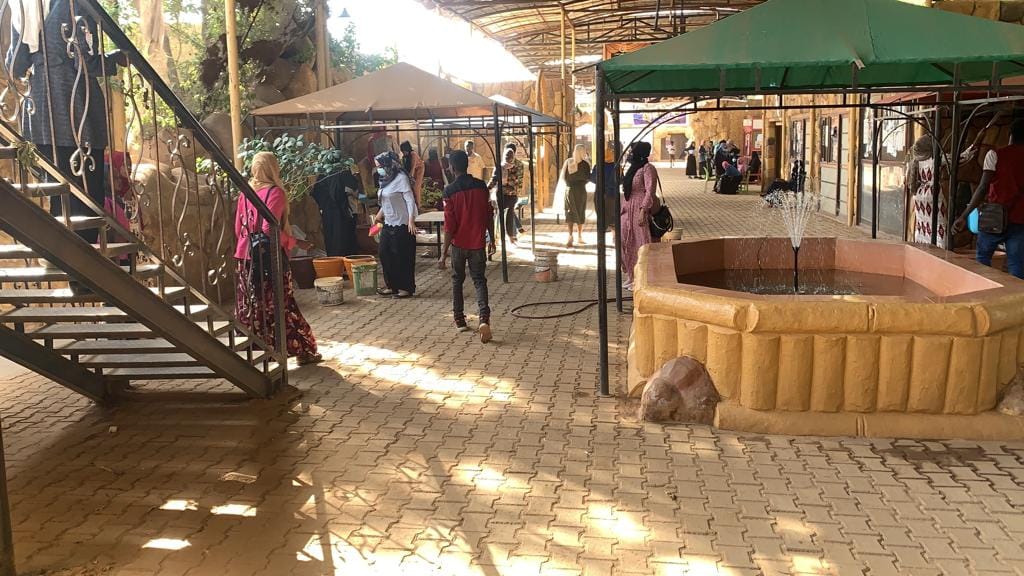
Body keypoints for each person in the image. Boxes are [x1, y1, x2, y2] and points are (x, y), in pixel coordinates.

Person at [9, 0, 126, 248]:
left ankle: (64, 258)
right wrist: (115, 58)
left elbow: (16, 65)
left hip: (40, 111)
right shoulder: (75, 4)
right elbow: (87, 62)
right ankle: (85, 264)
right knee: (87, 196)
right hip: (76, 107)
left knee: (57, 194)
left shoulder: (24, 7)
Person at [233, 152, 320, 365]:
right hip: (268, 258)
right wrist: (294, 242)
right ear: (274, 168)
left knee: (253, 305)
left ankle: (257, 350)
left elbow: (238, 228)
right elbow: (268, 228)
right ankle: (302, 349)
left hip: (244, 256)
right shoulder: (275, 192)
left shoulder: (246, 193)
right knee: (281, 303)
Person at [954, 120, 1024, 279]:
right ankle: (1017, 295)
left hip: (994, 217)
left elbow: (982, 187)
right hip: (1020, 220)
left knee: (982, 259)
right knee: (1017, 266)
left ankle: (982, 291)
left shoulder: (995, 155)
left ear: (1010, 136)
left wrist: (964, 215)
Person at [438, 150, 495, 343]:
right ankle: (484, 318)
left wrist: (443, 253)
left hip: (459, 245)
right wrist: (492, 239)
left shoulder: (449, 191)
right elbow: (489, 215)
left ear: (452, 168)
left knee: (457, 281)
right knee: (479, 281)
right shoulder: (481, 187)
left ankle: (460, 320)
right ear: (467, 164)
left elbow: (449, 226)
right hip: (478, 243)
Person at [373, 151, 418, 297]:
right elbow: (386, 201)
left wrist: (411, 220)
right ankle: (391, 285)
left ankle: (405, 288)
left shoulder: (401, 178)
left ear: (388, 164)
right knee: (384, 253)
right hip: (388, 222)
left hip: (402, 223)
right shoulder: (384, 180)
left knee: (401, 256)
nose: (378, 169)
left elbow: (410, 200)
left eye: (380, 166)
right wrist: (379, 216)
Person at [620, 142, 657, 291]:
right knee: (625, 241)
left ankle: (641, 278)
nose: (630, 154)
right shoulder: (633, 168)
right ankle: (631, 275)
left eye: (633, 151)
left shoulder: (648, 168)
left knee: (639, 243)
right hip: (627, 208)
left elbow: (650, 191)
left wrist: (643, 210)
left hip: (639, 208)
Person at [312, 165, 361, 256]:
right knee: (347, 242)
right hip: (345, 213)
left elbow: (316, 193)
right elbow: (354, 192)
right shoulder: (345, 173)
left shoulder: (322, 176)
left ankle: (334, 261)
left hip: (328, 214)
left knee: (332, 241)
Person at [487, 143, 524, 246]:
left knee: (509, 215)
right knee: (501, 215)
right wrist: (487, 189)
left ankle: (509, 235)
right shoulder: (499, 166)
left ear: (513, 156)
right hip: (501, 195)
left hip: (511, 195)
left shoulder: (516, 167)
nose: (508, 157)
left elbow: (517, 182)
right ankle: (500, 236)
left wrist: (507, 186)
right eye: (507, 155)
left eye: (510, 156)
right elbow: (494, 179)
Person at [562, 144, 591, 248]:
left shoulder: (568, 162)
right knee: (580, 211)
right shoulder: (585, 164)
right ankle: (579, 236)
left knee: (570, 212)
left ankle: (570, 235)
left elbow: (564, 177)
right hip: (580, 191)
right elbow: (588, 178)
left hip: (569, 190)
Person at [590, 142, 619, 241]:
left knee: (601, 214)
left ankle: (601, 238)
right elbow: (620, 180)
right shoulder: (616, 166)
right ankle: (614, 236)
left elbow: (593, 179)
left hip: (599, 194)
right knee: (612, 215)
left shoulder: (598, 166)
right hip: (612, 194)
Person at [400, 141, 425, 206]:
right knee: (411, 187)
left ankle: (418, 205)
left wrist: (410, 177)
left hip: (419, 170)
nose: (403, 153)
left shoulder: (413, 154)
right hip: (413, 170)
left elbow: (413, 167)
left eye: (403, 151)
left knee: (416, 188)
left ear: (407, 149)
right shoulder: (405, 156)